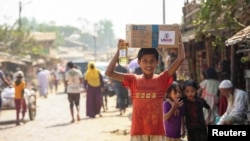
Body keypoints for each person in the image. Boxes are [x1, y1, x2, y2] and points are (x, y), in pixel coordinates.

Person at [105, 37, 185, 141]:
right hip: (138, 132)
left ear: (157, 62)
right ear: (139, 62)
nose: (148, 64)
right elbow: (109, 73)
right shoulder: (133, 79)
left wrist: (178, 37)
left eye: (152, 61)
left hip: (157, 132)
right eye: (145, 61)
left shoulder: (162, 79)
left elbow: (181, 58)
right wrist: (119, 51)